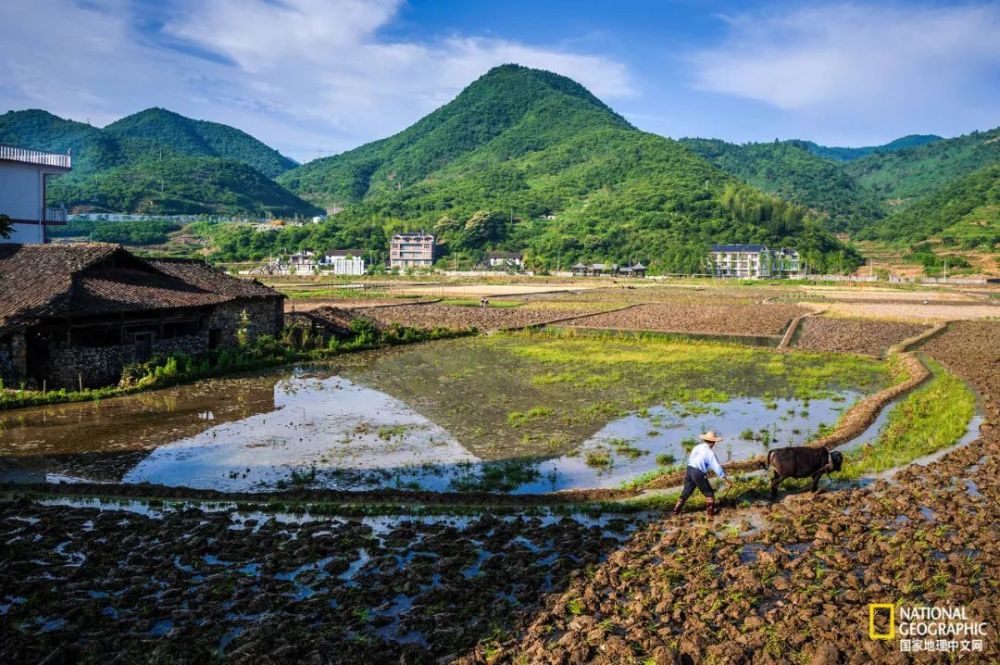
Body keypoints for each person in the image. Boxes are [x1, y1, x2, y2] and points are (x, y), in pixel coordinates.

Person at [672, 430, 728, 516]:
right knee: (709, 493)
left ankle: (676, 510)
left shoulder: (697, 447)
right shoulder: (710, 453)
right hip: (698, 472)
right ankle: (711, 514)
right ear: (713, 443)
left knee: (686, 491)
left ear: (705, 440)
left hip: (689, 469)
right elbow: (717, 467)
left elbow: (691, 458)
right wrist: (725, 480)